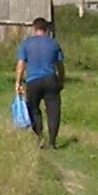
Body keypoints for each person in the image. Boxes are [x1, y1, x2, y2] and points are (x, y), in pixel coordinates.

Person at [14, 15, 65, 148]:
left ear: (34, 28)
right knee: (54, 110)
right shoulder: (53, 43)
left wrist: (18, 82)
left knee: (33, 109)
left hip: (33, 81)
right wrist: (61, 81)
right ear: (46, 29)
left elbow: (21, 65)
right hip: (50, 79)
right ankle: (52, 141)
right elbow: (60, 65)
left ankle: (40, 136)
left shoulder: (26, 44)